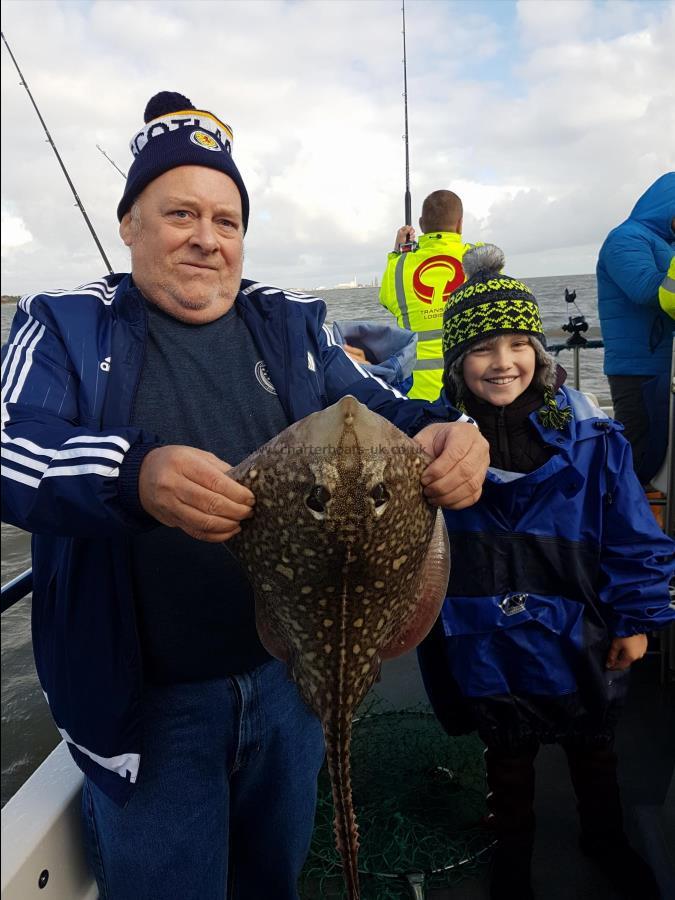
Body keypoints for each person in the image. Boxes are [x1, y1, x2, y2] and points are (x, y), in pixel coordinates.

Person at [0, 91, 489, 900]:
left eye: (226, 220)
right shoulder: (63, 325)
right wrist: (133, 474)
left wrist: (448, 432)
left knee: (273, 878)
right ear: (129, 224)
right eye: (179, 213)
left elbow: (384, 415)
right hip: (147, 708)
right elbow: (11, 449)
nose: (206, 238)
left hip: (289, 672)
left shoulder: (289, 326)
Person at [417, 244, 675, 900]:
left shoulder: (594, 442)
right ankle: (514, 850)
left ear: (538, 349)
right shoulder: (440, 453)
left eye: (515, 343)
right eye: (481, 349)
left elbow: (631, 535)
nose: (502, 362)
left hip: (581, 631)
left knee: (594, 750)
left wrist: (637, 620)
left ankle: (603, 836)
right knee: (505, 757)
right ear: (456, 363)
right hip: (484, 638)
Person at [597, 172, 675, 486]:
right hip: (638, 368)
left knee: (660, 457)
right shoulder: (625, 238)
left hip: (662, 366)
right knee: (638, 458)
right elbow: (644, 289)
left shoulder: (661, 243)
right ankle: (625, 527)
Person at [379, 189, 479, 401]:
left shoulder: (399, 266)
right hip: (471, 387)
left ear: (421, 225)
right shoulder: (478, 259)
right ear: (460, 224)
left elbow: (387, 300)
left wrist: (398, 253)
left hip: (416, 394)